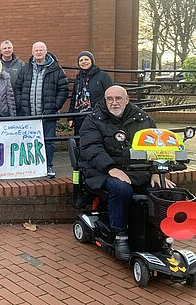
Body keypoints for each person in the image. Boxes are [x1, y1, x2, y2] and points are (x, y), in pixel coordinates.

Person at [79, 85, 173, 260]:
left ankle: (161, 237)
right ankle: (120, 234)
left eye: (118, 98)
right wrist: (111, 169)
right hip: (103, 170)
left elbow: (158, 146)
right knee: (121, 188)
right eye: (110, 99)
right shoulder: (93, 120)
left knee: (162, 190)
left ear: (127, 99)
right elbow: (91, 148)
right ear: (105, 100)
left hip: (139, 170)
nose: (114, 103)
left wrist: (156, 171)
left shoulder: (143, 118)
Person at [15, 41, 69, 178]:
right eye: (36, 50)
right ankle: (32, 167)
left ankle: (48, 165)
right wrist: (21, 104)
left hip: (48, 115)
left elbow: (63, 90)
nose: (38, 52)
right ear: (32, 52)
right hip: (29, 115)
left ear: (46, 52)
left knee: (48, 141)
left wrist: (54, 106)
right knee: (29, 142)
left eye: (41, 50)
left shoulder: (56, 70)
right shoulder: (26, 69)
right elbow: (18, 88)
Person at [68, 51, 113, 135]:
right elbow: (74, 99)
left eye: (86, 59)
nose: (84, 62)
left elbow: (111, 95)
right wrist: (71, 117)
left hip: (98, 115)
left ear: (92, 61)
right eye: (81, 60)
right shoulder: (78, 79)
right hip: (79, 117)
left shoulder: (103, 76)